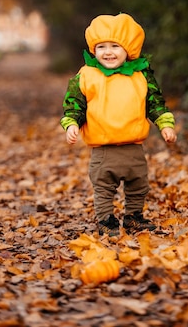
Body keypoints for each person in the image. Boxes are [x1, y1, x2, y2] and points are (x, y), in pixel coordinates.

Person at [61, 13, 177, 237]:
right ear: (94, 49)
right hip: (103, 149)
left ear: (129, 49)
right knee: (104, 187)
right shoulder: (86, 76)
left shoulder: (141, 75)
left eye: (115, 46)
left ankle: (133, 216)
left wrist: (165, 124)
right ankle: (106, 219)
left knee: (138, 184)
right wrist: (72, 123)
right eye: (101, 46)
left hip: (133, 146)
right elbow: (74, 104)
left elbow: (154, 102)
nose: (108, 52)